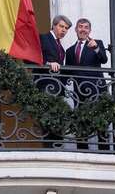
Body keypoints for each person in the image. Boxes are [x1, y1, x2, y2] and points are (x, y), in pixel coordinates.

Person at [65, 18, 109, 150]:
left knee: (101, 123)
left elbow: (104, 59)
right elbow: (67, 72)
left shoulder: (97, 43)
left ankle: (105, 154)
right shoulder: (70, 50)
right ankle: (82, 152)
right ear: (76, 30)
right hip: (79, 93)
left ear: (89, 30)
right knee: (80, 123)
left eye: (86, 27)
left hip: (97, 89)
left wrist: (96, 48)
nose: (83, 29)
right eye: (80, 27)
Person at [36, 14, 71, 148]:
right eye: (61, 26)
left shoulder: (61, 47)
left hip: (57, 89)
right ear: (54, 25)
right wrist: (47, 63)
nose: (64, 30)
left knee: (57, 121)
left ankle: (56, 148)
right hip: (45, 87)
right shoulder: (43, 38)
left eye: (66, 28)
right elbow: (30, 57)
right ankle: (49, 150)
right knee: (47, 121)